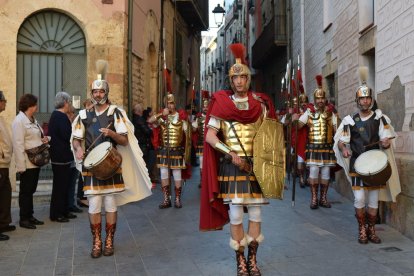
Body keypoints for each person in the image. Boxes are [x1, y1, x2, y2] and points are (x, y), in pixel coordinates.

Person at [200, 43, 277, 276]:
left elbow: (269, 135)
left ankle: (252, 259)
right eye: (235, 79)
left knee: (255, 213)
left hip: (254, 165)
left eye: (243, 77)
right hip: (232, 165)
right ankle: (240, 260)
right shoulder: (222, 104)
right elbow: (210, 135)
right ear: (231, 81)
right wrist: (229, 152)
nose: (239, 82)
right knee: (235, 213)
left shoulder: (261, 105)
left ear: (248, 79)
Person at [71, 60, 151, 258]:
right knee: (94, 204)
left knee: (110, 204)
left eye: (101, 91)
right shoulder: (83, 115)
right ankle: (96, 240)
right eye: (94, 92)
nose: (98, 95)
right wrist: (78, 149)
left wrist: (112, 134)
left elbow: (124, 141)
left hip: (111, 165)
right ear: (91, 93)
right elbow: (76, 139)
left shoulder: (116, 113)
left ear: (106, 92)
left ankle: (109, 240)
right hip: (92, 165)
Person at [334, 67, 400, 244]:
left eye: (367, 97)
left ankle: (371, 230)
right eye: (362, 98)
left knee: (373, 200)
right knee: (360, 198)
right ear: (358, 100)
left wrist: (386, 142)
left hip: (374, 165)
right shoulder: (350, 120)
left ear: (371, 99)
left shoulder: (380, 118)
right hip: (357, 164)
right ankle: (362, 229)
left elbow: (385, 138)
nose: (365, 101)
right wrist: (344, 149)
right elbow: (342, 141)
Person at [292, 75, 339, 209]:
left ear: (325, 99)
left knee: (325, 173)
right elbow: (299, 126)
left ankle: (323, 198)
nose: (320, 101)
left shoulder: (331, 113)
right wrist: (294, 119)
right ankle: (314, 198)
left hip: (327, 148)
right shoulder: (309, 112)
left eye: (322, 98)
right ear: (315, 99)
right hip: (313, 147)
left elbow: (337, 129)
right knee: (313, 172)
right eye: (318, 98)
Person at [12, 94, 48, 229]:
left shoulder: (33, 119)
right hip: (27, 162)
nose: (36, 107)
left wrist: (44, 139)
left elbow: (35, 137)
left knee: (31, 190)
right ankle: (24, 218)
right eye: (34, 105)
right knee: (25, 191)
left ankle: (30, 215)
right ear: (28, 106)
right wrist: (20, 165)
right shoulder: (19, 121)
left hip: (35, 161)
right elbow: (18, 144)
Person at [149, 94, 188, 209]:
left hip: (176, 150)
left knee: (177, 174)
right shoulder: (162, 118)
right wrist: (161, 114)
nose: (170, 106)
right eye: (168, 103)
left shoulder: (181, 117)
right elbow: (150, 121)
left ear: (175, 104)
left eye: (171, 103)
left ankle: (177, 199)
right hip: (164, 149)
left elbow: (187, 134)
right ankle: (166, 199)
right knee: (164, 174)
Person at [48, 92, 77, 222]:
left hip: (63, 157)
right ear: (65, 102)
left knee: (64, 185)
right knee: (60, 187)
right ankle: (57, 213)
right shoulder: (59, 116)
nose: (70, 104)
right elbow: (67, 135)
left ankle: (64, 210)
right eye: (69, 102)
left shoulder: (59, 116)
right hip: (60, 157)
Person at [281, 94, 309, 188]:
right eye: (302, 102)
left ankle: (307, 177)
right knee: (298, 157)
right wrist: (291, 118)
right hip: (297, 137)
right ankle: (301, 176)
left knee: (310, 160)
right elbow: (284, 124)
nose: (303, 104)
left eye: (305, 102)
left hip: (310, 137)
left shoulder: (310, 111)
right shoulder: (293, 112)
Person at [0, 91, 15, 240]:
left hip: (4, 163)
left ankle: (4, 223)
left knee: (5, 193)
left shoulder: (1, 119)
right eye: (3, 101)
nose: (5, 103)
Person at [76, 98, 94, 208]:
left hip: (89, 150)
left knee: (85, 175)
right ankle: (82, 198)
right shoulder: (82, 117)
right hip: (84, 149)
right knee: (83, 175)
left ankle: (85, 197)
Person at [66, 105, 83, 214]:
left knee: (73, 182)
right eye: (71, 113)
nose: (73, 116)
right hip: (68, 157)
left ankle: (71, 204)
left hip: (74, 157)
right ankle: (69, 204)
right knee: (69, 183)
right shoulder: (66, 124)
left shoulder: (75, 124)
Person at [192, 91, 210, 188]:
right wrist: (191, 125)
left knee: (210, 162)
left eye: (207, 106)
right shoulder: (198, 118)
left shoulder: (212, 117)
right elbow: (194, 129)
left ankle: (209, 180)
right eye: (204, 106)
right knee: (202, 162)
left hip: (210, 144)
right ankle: (202, 180)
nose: (205, 108)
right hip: (201, 144)